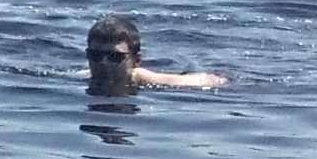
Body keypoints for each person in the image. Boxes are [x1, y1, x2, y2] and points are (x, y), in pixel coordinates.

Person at [87, 15, 223, 93]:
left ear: (136, 61)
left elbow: (212, 80)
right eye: (95, 55)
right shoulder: (84, 75)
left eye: (115, 57)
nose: (103, 63)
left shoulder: (146, 79)